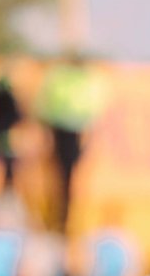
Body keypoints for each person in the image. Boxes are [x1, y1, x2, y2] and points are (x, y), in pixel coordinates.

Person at [36, 55, 102, 233]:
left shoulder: (59, 77)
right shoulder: (82, 80)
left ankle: (61, 220)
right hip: (70, 133)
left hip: (63, 132)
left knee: (63, 181)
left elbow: (46, 107)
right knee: (64, 181)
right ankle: (61, 220)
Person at [0, 72, 23, 193]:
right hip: (7, 134)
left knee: (5, 159)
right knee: (9, 160)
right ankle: (8, 186)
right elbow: (16, 116)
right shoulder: (8, 99)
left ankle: (7, 185)